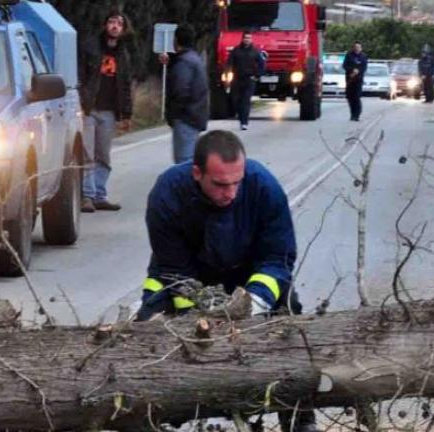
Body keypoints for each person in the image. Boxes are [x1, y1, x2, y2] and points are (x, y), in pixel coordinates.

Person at [136, 130, 321, 431]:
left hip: (248, 276)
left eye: (237, 182)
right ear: (197, 173)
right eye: (221, 185)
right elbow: (173, 270)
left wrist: (253, 303)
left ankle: (299, 416)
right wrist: (196, 318)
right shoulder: (168, 193)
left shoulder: (263, 186)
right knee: (146, 334)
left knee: (289, 325)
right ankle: (149, 415)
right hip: (185, 277)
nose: (231, 193)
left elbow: (278, 258)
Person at [78, 9, 133, 213]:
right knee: (86, 154)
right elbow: (81, 75)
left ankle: (99, 194)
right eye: (111, 22)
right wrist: (80, 102)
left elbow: (126, 85)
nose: (115, 26)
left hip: (110, 111)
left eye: (119, 23)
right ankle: (87, 196)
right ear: (105, 25)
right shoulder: (92, 47)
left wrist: (126, 114)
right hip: (89, 108)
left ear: (124, 29)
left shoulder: (123, 54)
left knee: (103, 155)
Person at [163, 24, 208, 164]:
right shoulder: (193, 59)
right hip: (195, 115)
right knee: (189, 159)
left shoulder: (184, 62)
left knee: (184, 161)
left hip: (185, 117)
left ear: (175, 40)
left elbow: (180, 90)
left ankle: (187, 186)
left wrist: (173, 114)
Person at [227, 31, 264, 131]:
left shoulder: (255, 51)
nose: (247, 40)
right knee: (236, 100)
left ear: (251, 39)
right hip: (237, 79)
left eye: (249, 38)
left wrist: (257, 76)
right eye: (245, 38)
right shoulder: (236, 50)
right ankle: (240, 117)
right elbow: (229, 63)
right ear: (242, 39)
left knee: (246, 100)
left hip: (249, 79)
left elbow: (262, 64)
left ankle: (244, 122)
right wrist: (228, 74)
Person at [342, 41, 368, 121]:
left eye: (358, 47)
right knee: (350, 97)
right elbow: (344, 65)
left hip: (358, 80)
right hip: (350, 79)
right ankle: (352, 114)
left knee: (356, 97)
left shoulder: (363, 56)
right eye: (355, 47)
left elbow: (364, 67)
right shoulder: (349, 55)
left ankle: (357, 115)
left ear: (361, 48)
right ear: (353, 48)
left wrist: (358, 71)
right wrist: (351, 70)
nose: (357, 49)